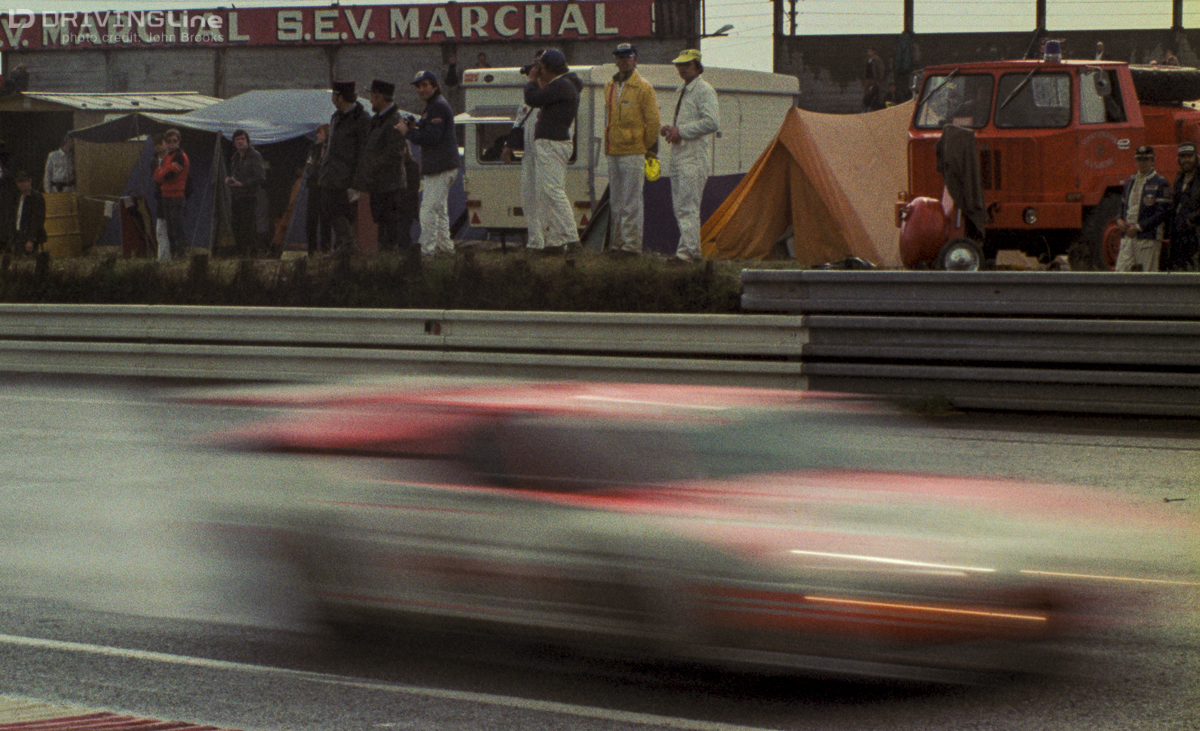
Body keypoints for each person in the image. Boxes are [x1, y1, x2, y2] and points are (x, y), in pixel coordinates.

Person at [660, 49, 719, 264]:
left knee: (688, 205)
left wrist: (681, 131)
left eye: (685, 65)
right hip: (680, 154)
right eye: (678, 65)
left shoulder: (704, 90)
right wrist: (672, 128)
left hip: (693, 157)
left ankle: (688, 253)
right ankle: (689, 250)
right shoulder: (683, 89)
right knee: (680, 206)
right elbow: (691, 122)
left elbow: (712, 122)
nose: (680, 68)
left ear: (696, 65)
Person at [603, 42, 659, 256]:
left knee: (631, 201)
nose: (623, 61)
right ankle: (617, 244)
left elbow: (653, 122)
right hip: (613, 150)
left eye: (627, 57)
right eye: (619, 57)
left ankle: (631, 246)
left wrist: (643, 145)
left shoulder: (643, 87)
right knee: (616, 200)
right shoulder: (609, 85)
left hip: (634, 151)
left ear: (635, 60)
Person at [523, 49, 582, 255]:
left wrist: (531, 79)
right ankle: (555, 241)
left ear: (548, 68)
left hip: (553, 143)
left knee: (553, 192)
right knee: (545, 193)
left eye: (541, 67)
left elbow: (532, 98)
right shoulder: (562, 85)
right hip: (551, 142)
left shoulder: (562, 85)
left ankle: (573, 239)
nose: (539, 71)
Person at [396, 70, 460, 257]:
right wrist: (415, 126)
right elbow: (430, 131)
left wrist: (406, 132)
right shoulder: (432, 106)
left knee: (427, 211)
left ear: (435, 85)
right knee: (439, 211)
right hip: (441, 167)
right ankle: (446, 248)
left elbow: (432, 137)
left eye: (425, 85)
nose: (421, 89)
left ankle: (427, 251)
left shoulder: (437, 106)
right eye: (418, 86)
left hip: (441, 167)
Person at [354, 79, 411, 253]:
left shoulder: (393, 120)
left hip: (390, 184)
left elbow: (393, 154)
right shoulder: (378, 120)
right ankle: (384, 257)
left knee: (390, 223)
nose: (370, 101)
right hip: (378, 183)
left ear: (379, 98)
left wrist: (372, 168)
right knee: (380, 220)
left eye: (372, 96)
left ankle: (389, 258)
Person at [317, 80, 370, 253]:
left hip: (346, 175)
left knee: (341, 212)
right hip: (330, 174)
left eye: (334, 95)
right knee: (329, 208)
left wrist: (358, 181)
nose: (332, 99)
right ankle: (342, 246)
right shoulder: (336, 117)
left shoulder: (361, 119)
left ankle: (347, 245)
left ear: (340, 97)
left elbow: (365, 152)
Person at [503, 50, 544, 250]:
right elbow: (518, 123)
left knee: (547, 198)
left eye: (539, 65)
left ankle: (553, 240)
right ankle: (535, 241)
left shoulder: (552, 93)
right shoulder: (529, 97)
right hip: (529, 155)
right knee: (528, 198)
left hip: (547, 155)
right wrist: (508, 146)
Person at [1113, 145, 1170, 272]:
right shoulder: (1130, 181)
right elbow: (1122, 206)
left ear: (1152, 160)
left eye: (1146, 159)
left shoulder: (1160, 182)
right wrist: (1119, 219)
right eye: (1139, 159)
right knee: (1120, 274)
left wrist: (1139, 227)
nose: (1142, 163)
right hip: (1128, 236)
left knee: (1147, 276)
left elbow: (1162, 213)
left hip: (1148, 237)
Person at [225, 129, 266, 257]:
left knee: (249, 227)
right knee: (236, 227)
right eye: (237, 140)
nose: (240, 142)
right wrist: (229, 179)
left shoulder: (255, 156)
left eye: (242, 139)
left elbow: (260, 177)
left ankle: (252, 256)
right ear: (234, 143)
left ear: (247, 141)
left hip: (249, 196)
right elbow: (234, 174)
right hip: (236, 196)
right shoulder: (235, 157)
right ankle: (241, 254)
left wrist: (243, 183)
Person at [152, 128, 189, 258]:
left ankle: (180, 255)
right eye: (169, 141)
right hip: (166, 197)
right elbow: (156, 177)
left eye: (174, 141)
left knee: (177, 228)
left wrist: (163, 172)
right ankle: (174, 255)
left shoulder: (180, 156)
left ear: (178, 142)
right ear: (166, 143)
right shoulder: (167, 157)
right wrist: (164, 172)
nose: (171, 143)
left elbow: (168, 176)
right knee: (170, 230)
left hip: (176, 197)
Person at [1166, 141, 1200, 271]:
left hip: (1196, 238)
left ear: (1196, 157)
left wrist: (1192, 219)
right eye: (1183, 157)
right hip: (1178, 239)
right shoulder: (1179, 179)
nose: (1186, 160)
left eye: (1189, 156)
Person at [303, 124, 331, 255]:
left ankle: (326, 248)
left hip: (325, 187)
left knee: (326, 219)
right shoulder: (313, 149)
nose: (317, 135)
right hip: (313, 186)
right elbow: (309, 165)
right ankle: (311, 250)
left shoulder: (331, 150)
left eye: (320, 133)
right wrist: (312, 171)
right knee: (311, 220)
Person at [8, 170, 46, 255]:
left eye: (24, 181)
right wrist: (12, 240)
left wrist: (31, 240)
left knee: (31, 262)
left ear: (29, 181)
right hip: (18, 236)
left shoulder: (37, 197)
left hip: (30, 238)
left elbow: (37, 220)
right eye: (19, 182)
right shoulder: (17, 198)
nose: (22, 184)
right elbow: (13, 218)